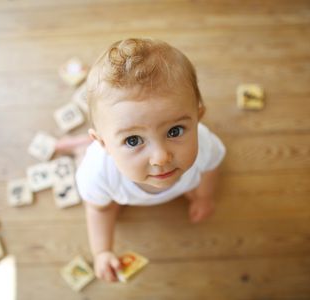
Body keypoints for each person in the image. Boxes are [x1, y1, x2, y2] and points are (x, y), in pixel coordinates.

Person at [57, 38, 226, 282]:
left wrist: (204, 197)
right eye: (134, 140)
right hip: (111, 177)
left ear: (198, 116)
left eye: (175, 131)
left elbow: (211, 168)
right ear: (102, 143)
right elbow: (98, 209)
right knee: (109, 202)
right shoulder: (98, 174)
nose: (161, 157)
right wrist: (102, 251)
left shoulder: (205, 143)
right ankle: (80, 147)